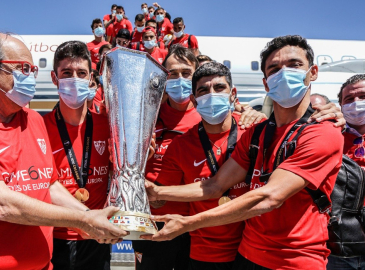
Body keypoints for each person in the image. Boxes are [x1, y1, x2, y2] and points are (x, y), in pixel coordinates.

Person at [144, 35, 345, 270]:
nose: (284, 73)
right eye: (274, 68)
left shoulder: (322, 131)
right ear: (266, 83)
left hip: (294, 260)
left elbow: (268, 197)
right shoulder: (256, 134)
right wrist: (156, 191)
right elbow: (214, 186)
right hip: (247, 254)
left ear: (313, 72)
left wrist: (188, 223)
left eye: (294, 65)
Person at [0, 32, 126, 270]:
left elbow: (49, 185)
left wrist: (92, 217)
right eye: (22, 68)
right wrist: (84, 220)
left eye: (32, 70)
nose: (30, 77)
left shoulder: (32, 119)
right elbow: (1, 204)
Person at [133, 45, 265, 270]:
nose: (179, 79)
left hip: (213, 231)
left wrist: (258, 116)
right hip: (163, 221)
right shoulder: (147, 116)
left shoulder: (236, 120)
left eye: (186, 73)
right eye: (172, 74)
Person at [156, 61, 251, 269]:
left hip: (252, 250)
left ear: (233, 93)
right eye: (203, 91)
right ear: (194, 100)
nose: (211, 95)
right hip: (205, 253)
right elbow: (160, 197)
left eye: (219, 88)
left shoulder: (254, 131)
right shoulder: (180, 146)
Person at [44, 40, 114, 270]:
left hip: (96, 237)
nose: (74, 79)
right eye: (66, 73)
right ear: (55, 79)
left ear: (91, 79)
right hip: (53, 237)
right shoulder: (38, 126)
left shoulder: (109, 124)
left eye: (81, 73)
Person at [330, 74, 365, 269]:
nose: (356, 103)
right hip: (341, 247)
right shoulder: (330, 137)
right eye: (349, 100)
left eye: (363, 97)